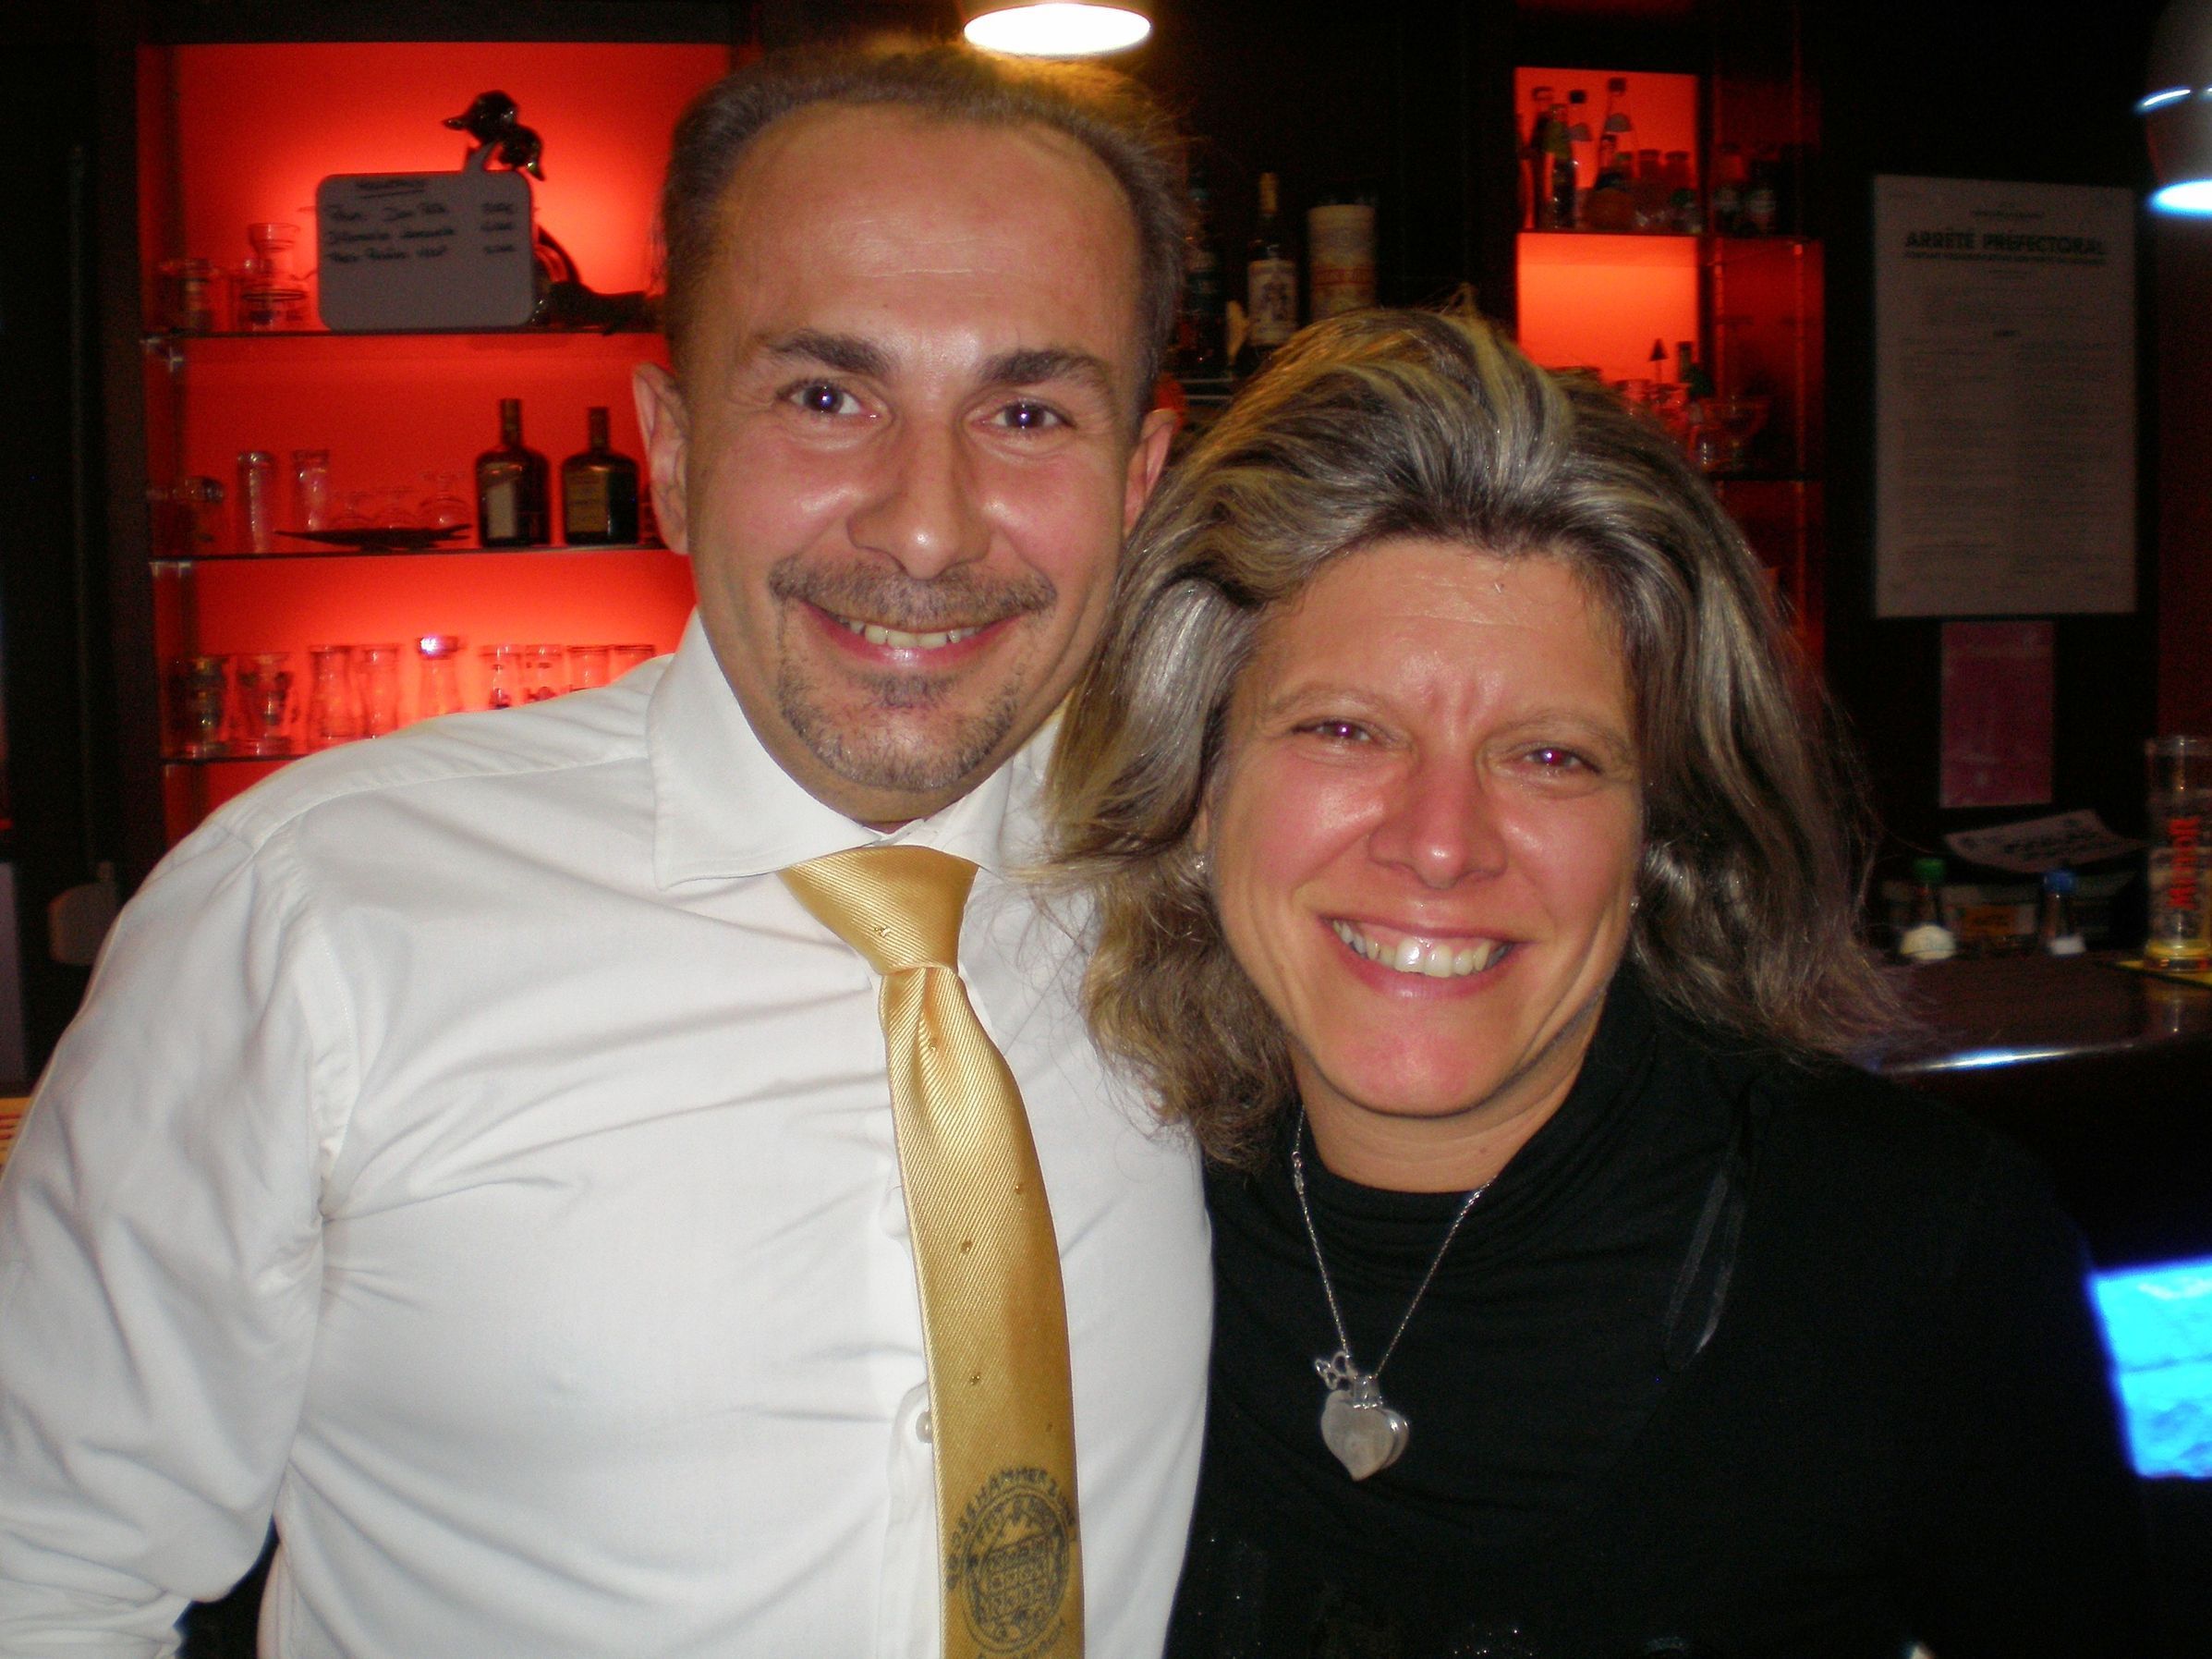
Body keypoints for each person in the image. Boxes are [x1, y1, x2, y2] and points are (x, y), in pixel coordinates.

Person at [0, 44, 1209, 1657]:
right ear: (672, 445)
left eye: (1028, 411)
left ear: (1137, 480)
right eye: (826, 399)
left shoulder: (1212, 880)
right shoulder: (306, 918)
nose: (926, 524)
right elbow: (47, 1576)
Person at [1046, 308, 2155, 1658]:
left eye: (1550, 757)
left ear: (1658, 838)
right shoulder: (1099, 1197)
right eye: (1344, 729)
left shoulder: (1912, 1254)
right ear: (1200, 788)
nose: (1440, 843)